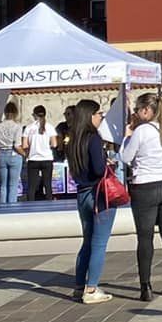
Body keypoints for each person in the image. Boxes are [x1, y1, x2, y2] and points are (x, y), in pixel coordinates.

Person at [120, 93, 162, 301]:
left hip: (145, 186)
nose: (135, 114)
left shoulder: (140, 132)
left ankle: (146, 286)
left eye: (137, 110)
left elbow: (125, 157)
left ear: (146, 111)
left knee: (145, 236)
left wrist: (127, 135)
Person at [66, 103, 116, 303]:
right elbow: (97, 168)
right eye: (99, 114)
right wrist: (106, 163)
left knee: (87, 240)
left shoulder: (73, 139)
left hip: (82, 192)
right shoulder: (93, 138)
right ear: (90, 116)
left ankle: (79, 285)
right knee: (99, 242)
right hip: (99, 193)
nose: (101, 117)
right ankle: (92, 288)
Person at [0, 101, 26, 206]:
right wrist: (25, 154)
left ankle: (2, 206)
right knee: (13, 185)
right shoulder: (17, 126)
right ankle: (11, 208)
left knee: (3, 185)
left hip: (2, 154)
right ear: (16, 113)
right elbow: (17, 145)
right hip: (14, 155)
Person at [24, 106, 56, 201]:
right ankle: (50, 205)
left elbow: (25, 145)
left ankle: (30, 206)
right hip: (47, 158)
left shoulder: (28, 128)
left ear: (34, 115)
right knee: (47, 185)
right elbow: (54, 144)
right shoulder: (50, 127)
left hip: (33, 159)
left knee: (32, 187)